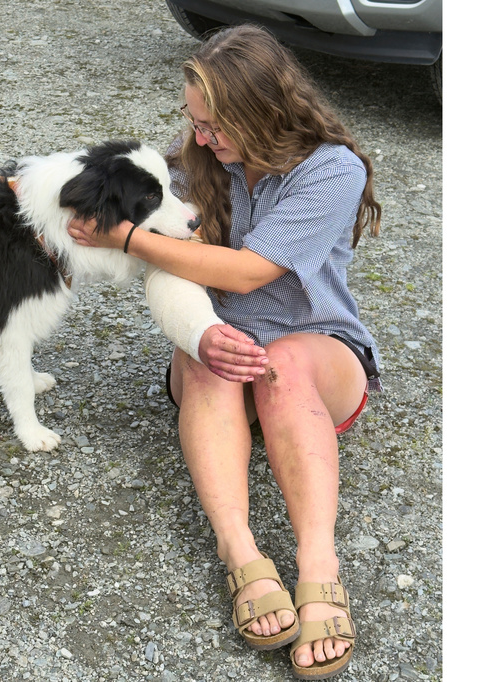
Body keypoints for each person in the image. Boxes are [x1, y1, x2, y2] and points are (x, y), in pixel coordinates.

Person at [69, 24, 382, 680]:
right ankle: (239, 551)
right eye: (194, 122)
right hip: (221, 363)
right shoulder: (201, 159)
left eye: (215, 125)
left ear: (264, 114)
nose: (200, 138)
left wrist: (126, 239)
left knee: (285, 363)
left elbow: (244, 273)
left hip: (319, 357)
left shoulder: (332, 170)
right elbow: (104, 182)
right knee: (214, 353)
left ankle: (319, 565)